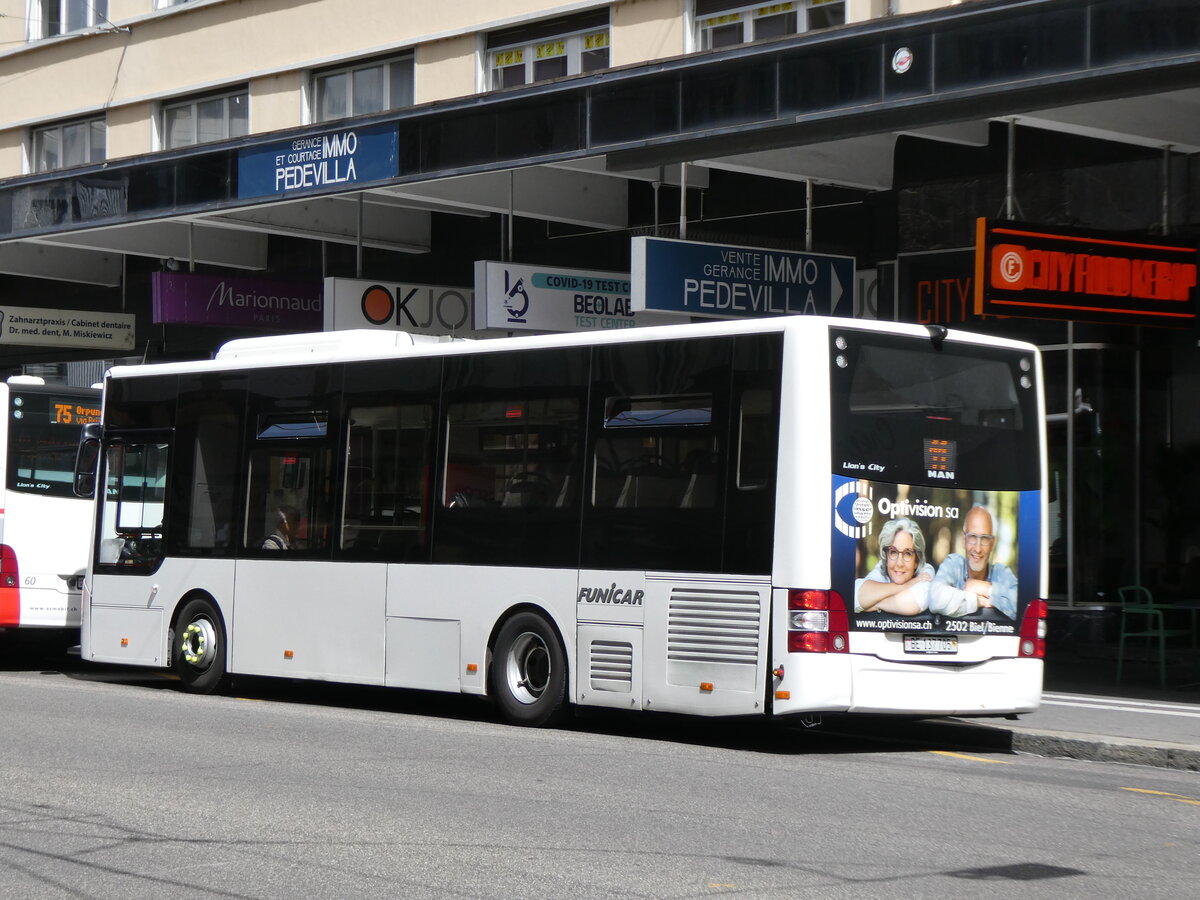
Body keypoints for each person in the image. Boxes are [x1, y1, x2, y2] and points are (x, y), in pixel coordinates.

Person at [934, 505, 1018, 619]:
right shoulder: (953, 565)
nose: (978, 549)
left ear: (992, 543)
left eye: (984, 538)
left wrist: (985, 588)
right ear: (964, 540)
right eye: (972, 537)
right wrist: (977, 601)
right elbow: (935, 599)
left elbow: (1023, 605)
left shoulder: (1001, 573)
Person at [855, 517, 935, 615]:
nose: (899, 563)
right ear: (886, 556)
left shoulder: (926, 571)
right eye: (893, 552)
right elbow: (856, 596)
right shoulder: (882, 567)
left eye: (907, 553)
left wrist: (874, 603)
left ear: (916, 561)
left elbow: (912, 604)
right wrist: (907, 585)